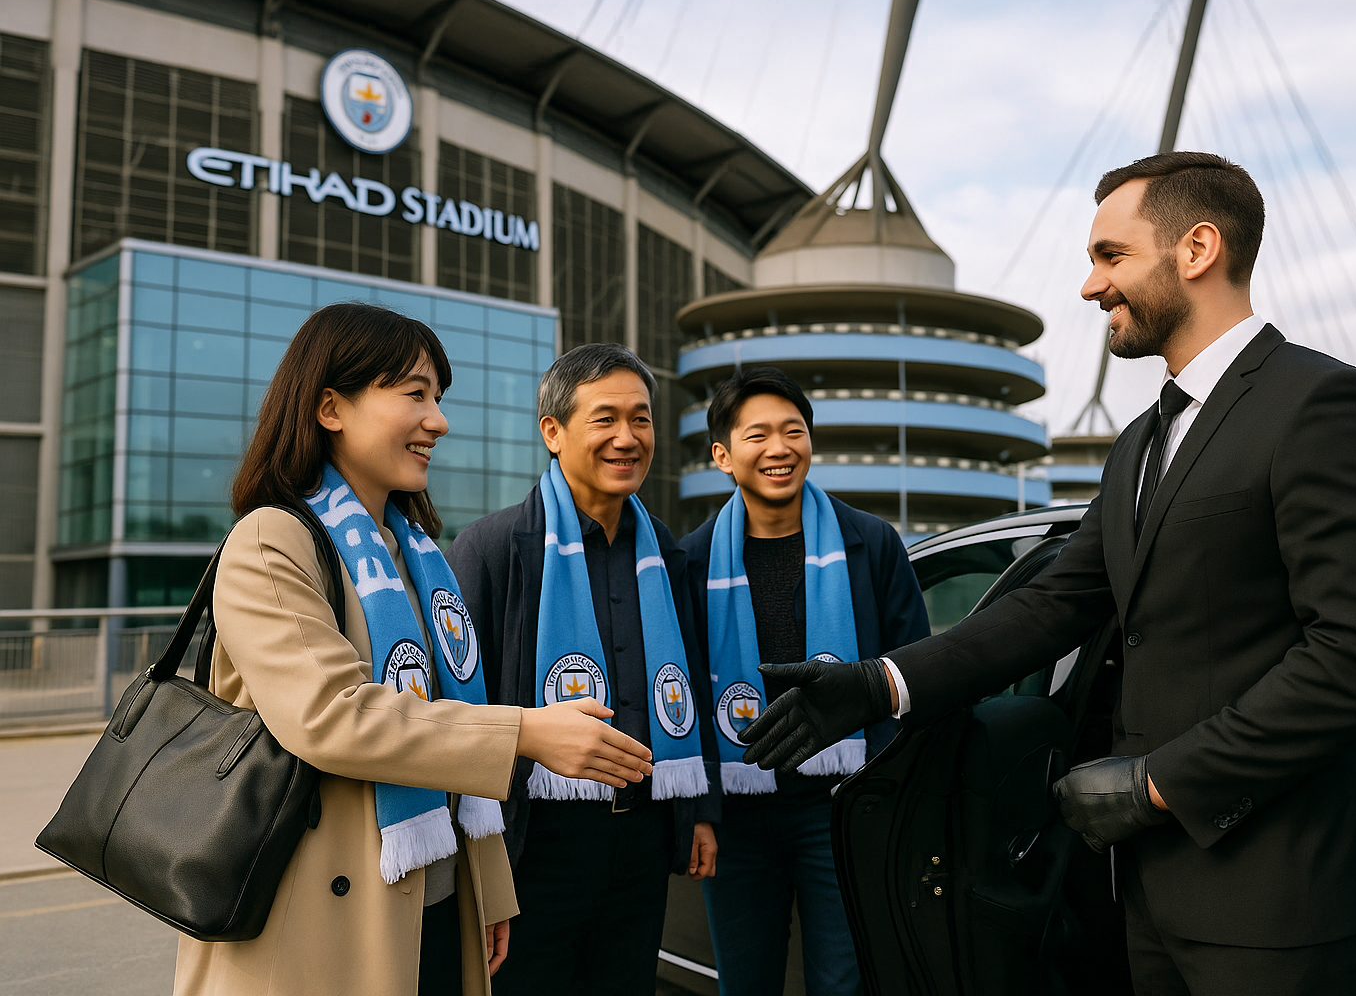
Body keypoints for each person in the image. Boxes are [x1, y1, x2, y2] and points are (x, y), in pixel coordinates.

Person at [740, 152, 1356, 996]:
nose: (1090, 286)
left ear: (1198, 248)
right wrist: (876, 685)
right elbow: (1055, 602)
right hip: (1144, 890)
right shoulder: (1140, 440)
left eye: (1110, 256)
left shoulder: (1322, 405)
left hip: (1275, 897)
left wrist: (1158, 784)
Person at [173, 304, 653, 996]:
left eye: (438, 397)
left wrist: (484, 890)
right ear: (331, 407)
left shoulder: (416, 555)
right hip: (317, 920)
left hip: (432, 903)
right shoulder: (271, 542)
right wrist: (525, 731)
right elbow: (333, 717)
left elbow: (448, 712)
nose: (439, 420)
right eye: (415, 395)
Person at [447, 342, 720, 996]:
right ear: (553, 431)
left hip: (643, 841)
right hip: (533, 844)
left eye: (642, 418)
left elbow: (695, 687)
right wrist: (477, 872)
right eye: (605, 419)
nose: (627, 438)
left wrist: (698, 810)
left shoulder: (668, 556)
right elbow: (451, 713)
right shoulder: (490, 550)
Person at [678, 367, 929, 996]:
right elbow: (677, 694)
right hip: (737, 813)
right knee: (746, 979)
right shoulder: (690, 561)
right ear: (722, 456)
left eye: (794, 431)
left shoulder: (871, 544)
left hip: (841, 807)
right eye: (757, 434)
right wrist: (698, 811)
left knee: (846, 979)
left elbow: (919, 673)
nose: (780, 448)